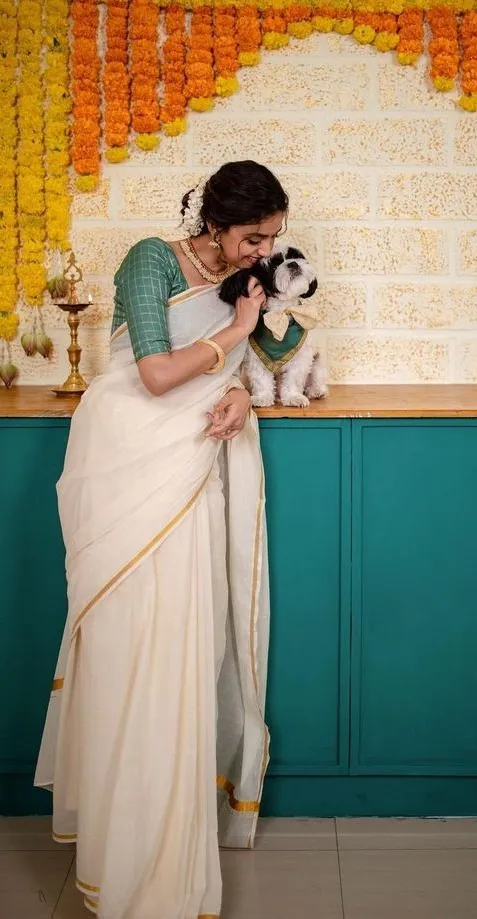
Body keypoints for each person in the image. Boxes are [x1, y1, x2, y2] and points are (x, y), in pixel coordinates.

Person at [35, 160, 289, 919]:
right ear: (213, 224)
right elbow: (150, 374)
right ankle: (122, 853)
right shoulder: (152, 259)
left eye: (273, 238)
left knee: (184, 649)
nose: (261, 251)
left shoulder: (251, 277)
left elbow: (247, 366)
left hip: (191, 469)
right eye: (252, 236)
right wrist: (239, 328)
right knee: (126, 650)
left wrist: (240, 390)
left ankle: (170, 858)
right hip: (126, 468)